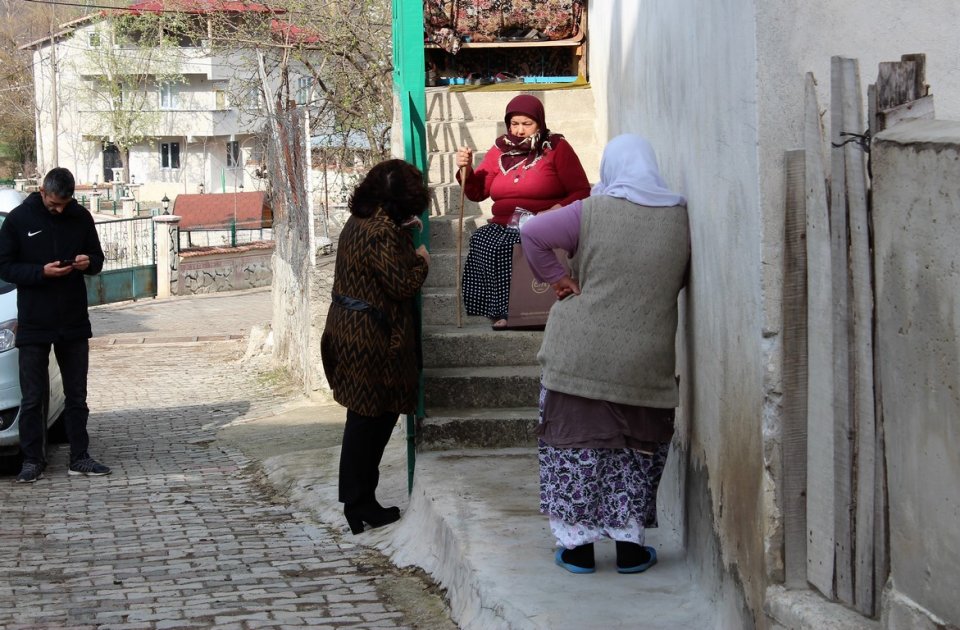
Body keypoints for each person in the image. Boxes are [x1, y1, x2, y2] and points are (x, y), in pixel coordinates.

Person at [520, 134, 690, 573]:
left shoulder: (590, 212)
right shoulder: (679, 218)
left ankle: (577, 550)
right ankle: (631, 549)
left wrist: (559, 279)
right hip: (645, 361)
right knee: (635, 451)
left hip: (578, 356)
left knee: (575, 446)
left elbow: (532, 232)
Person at [320, 159, 431, 534]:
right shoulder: (382, 231)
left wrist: (403, 231)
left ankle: (358, 500)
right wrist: (421, 261)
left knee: (362, 419)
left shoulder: (360, 220)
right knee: (372, 421)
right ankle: (359, 501)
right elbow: (400, 284)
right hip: (371, 339)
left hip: (348, 329)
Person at [0, 167, 110, 483]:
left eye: (65, 203)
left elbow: (98, 259)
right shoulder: (19, 220)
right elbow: (5, 267)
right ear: (42, 191)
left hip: (73, 320)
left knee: (77, 395)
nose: (59, 209)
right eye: (54, 203)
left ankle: (80, 457)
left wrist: (89, 262)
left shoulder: (81, 217)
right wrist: (40, 273)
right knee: (33, 396)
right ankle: (33, 460)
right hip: (34, 322)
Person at [456, 94, 590, 329]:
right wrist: (466, 169)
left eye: (527, 124)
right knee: (481, 239)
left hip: (543, 221)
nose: (519, 130)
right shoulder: (499, 150)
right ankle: (496, 309)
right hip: (504, 222)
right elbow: (477, 193)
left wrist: (554, 211)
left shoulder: (556, 148)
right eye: (514, 124)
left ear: (540, 122)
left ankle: (515, 311)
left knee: (508, 244)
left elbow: (581, 191)